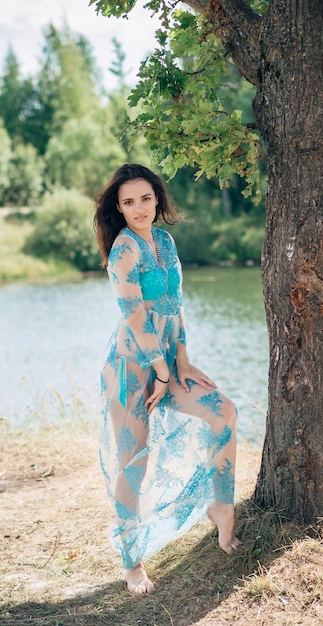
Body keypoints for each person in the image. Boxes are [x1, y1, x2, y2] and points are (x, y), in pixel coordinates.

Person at [94, 163, 240, 595]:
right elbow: (135, 317)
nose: (139, 208)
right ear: (118, 209)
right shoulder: (123, 251)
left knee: (224, 413)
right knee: (134, 460)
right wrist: (159, 371)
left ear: (157, 199)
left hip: (168, 365)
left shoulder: (163, 240)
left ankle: (219, 506)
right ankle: (131, 562)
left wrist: (183, 361)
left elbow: (175, 304)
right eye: (128, 202)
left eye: (145, 198)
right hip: (129, 370)